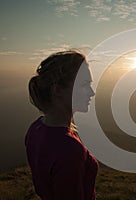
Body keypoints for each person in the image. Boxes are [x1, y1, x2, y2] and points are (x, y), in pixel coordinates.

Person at [25, 50, 98, 200]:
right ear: (58, 90)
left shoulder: (35, 129)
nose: (92, 92)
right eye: (84, 85)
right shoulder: (70, 149)